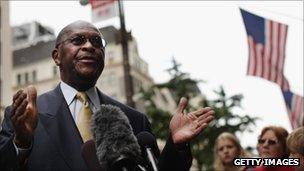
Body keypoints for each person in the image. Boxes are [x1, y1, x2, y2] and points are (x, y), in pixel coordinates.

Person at [0, 20, 214, 170]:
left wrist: (175, 145)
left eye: (96, 42)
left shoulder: (134, 119)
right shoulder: (23, 116)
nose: (89, 46)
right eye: (78, 40)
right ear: (57, 56)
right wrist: (21, 142)